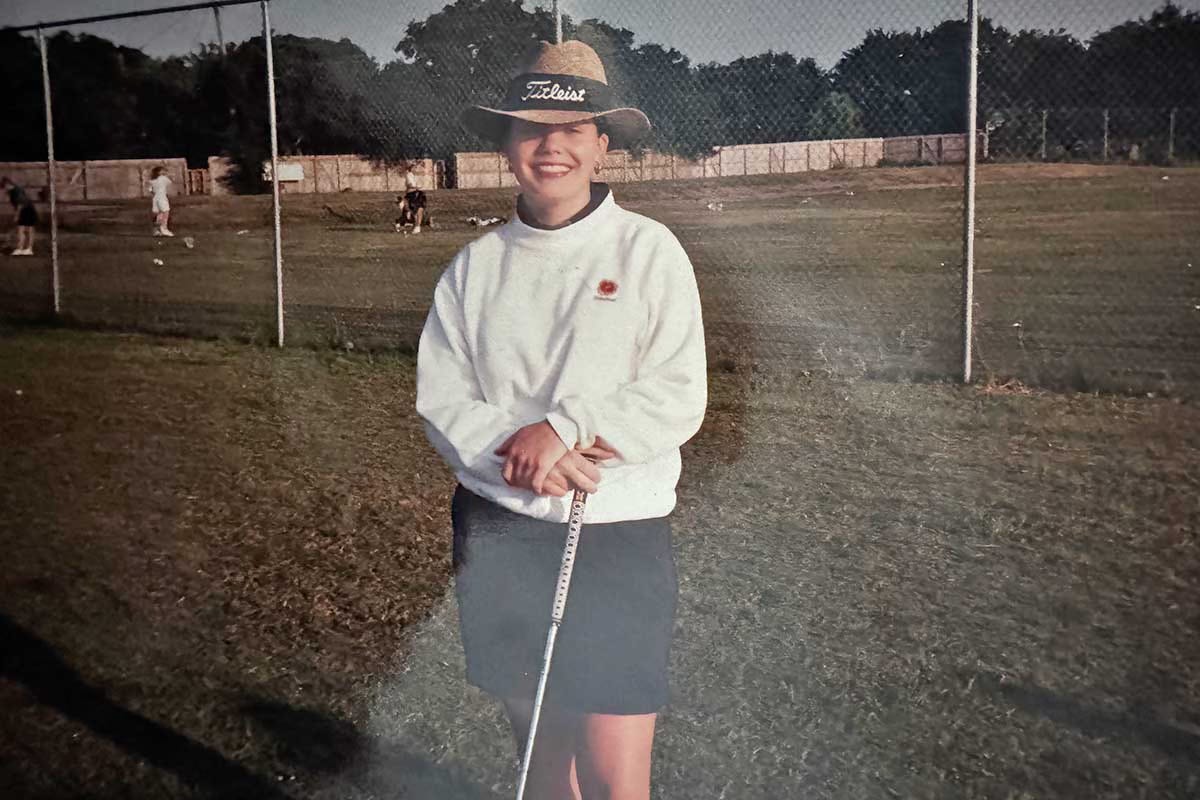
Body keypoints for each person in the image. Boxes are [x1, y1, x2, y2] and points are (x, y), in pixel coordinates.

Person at [416, 40, 707, 800]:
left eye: (574, 129)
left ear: (602, 143)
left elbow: (678, 392)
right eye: (531, 129)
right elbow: (443, 399)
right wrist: (521, 452)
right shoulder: (474, 268)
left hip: (617, 534)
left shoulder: (649, 251)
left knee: (615, 774)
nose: (553, 146)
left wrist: (568, 429)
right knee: (542, 760)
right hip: (503, 528)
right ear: (507, 146)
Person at [2, 177, 38, 256]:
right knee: (22, 230)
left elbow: (20, 204)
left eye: (4, 187)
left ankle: (27, 249)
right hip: (25, 210)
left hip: (27, 210)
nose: (4, 190)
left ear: (7, 184)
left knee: (26, 230)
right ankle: (22, 248)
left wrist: (17, 215)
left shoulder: (17, 191)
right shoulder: (12, 191)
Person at [394, 162, 428, 234]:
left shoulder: (412, 175)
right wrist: (417, 187)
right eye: (414, 167)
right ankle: (415, 226)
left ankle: (416, 226)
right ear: (411, 168)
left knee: (418, 210)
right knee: (414, 210)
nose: (415, 169)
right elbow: (410, 185)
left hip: (415, 193)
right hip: (412, 194)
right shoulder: (409, 175)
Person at [147, 166, 174, 237]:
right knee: (165, 212)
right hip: (162, 197)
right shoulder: (163, 178)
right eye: (162, 171)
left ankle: (156, 230)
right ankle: (164, 228)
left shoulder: (152, 181)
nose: (164, 172)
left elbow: (150, 190)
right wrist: (168, 175)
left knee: (159, 214)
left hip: (155, 198)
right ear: (159, 172)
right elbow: (170, 182)